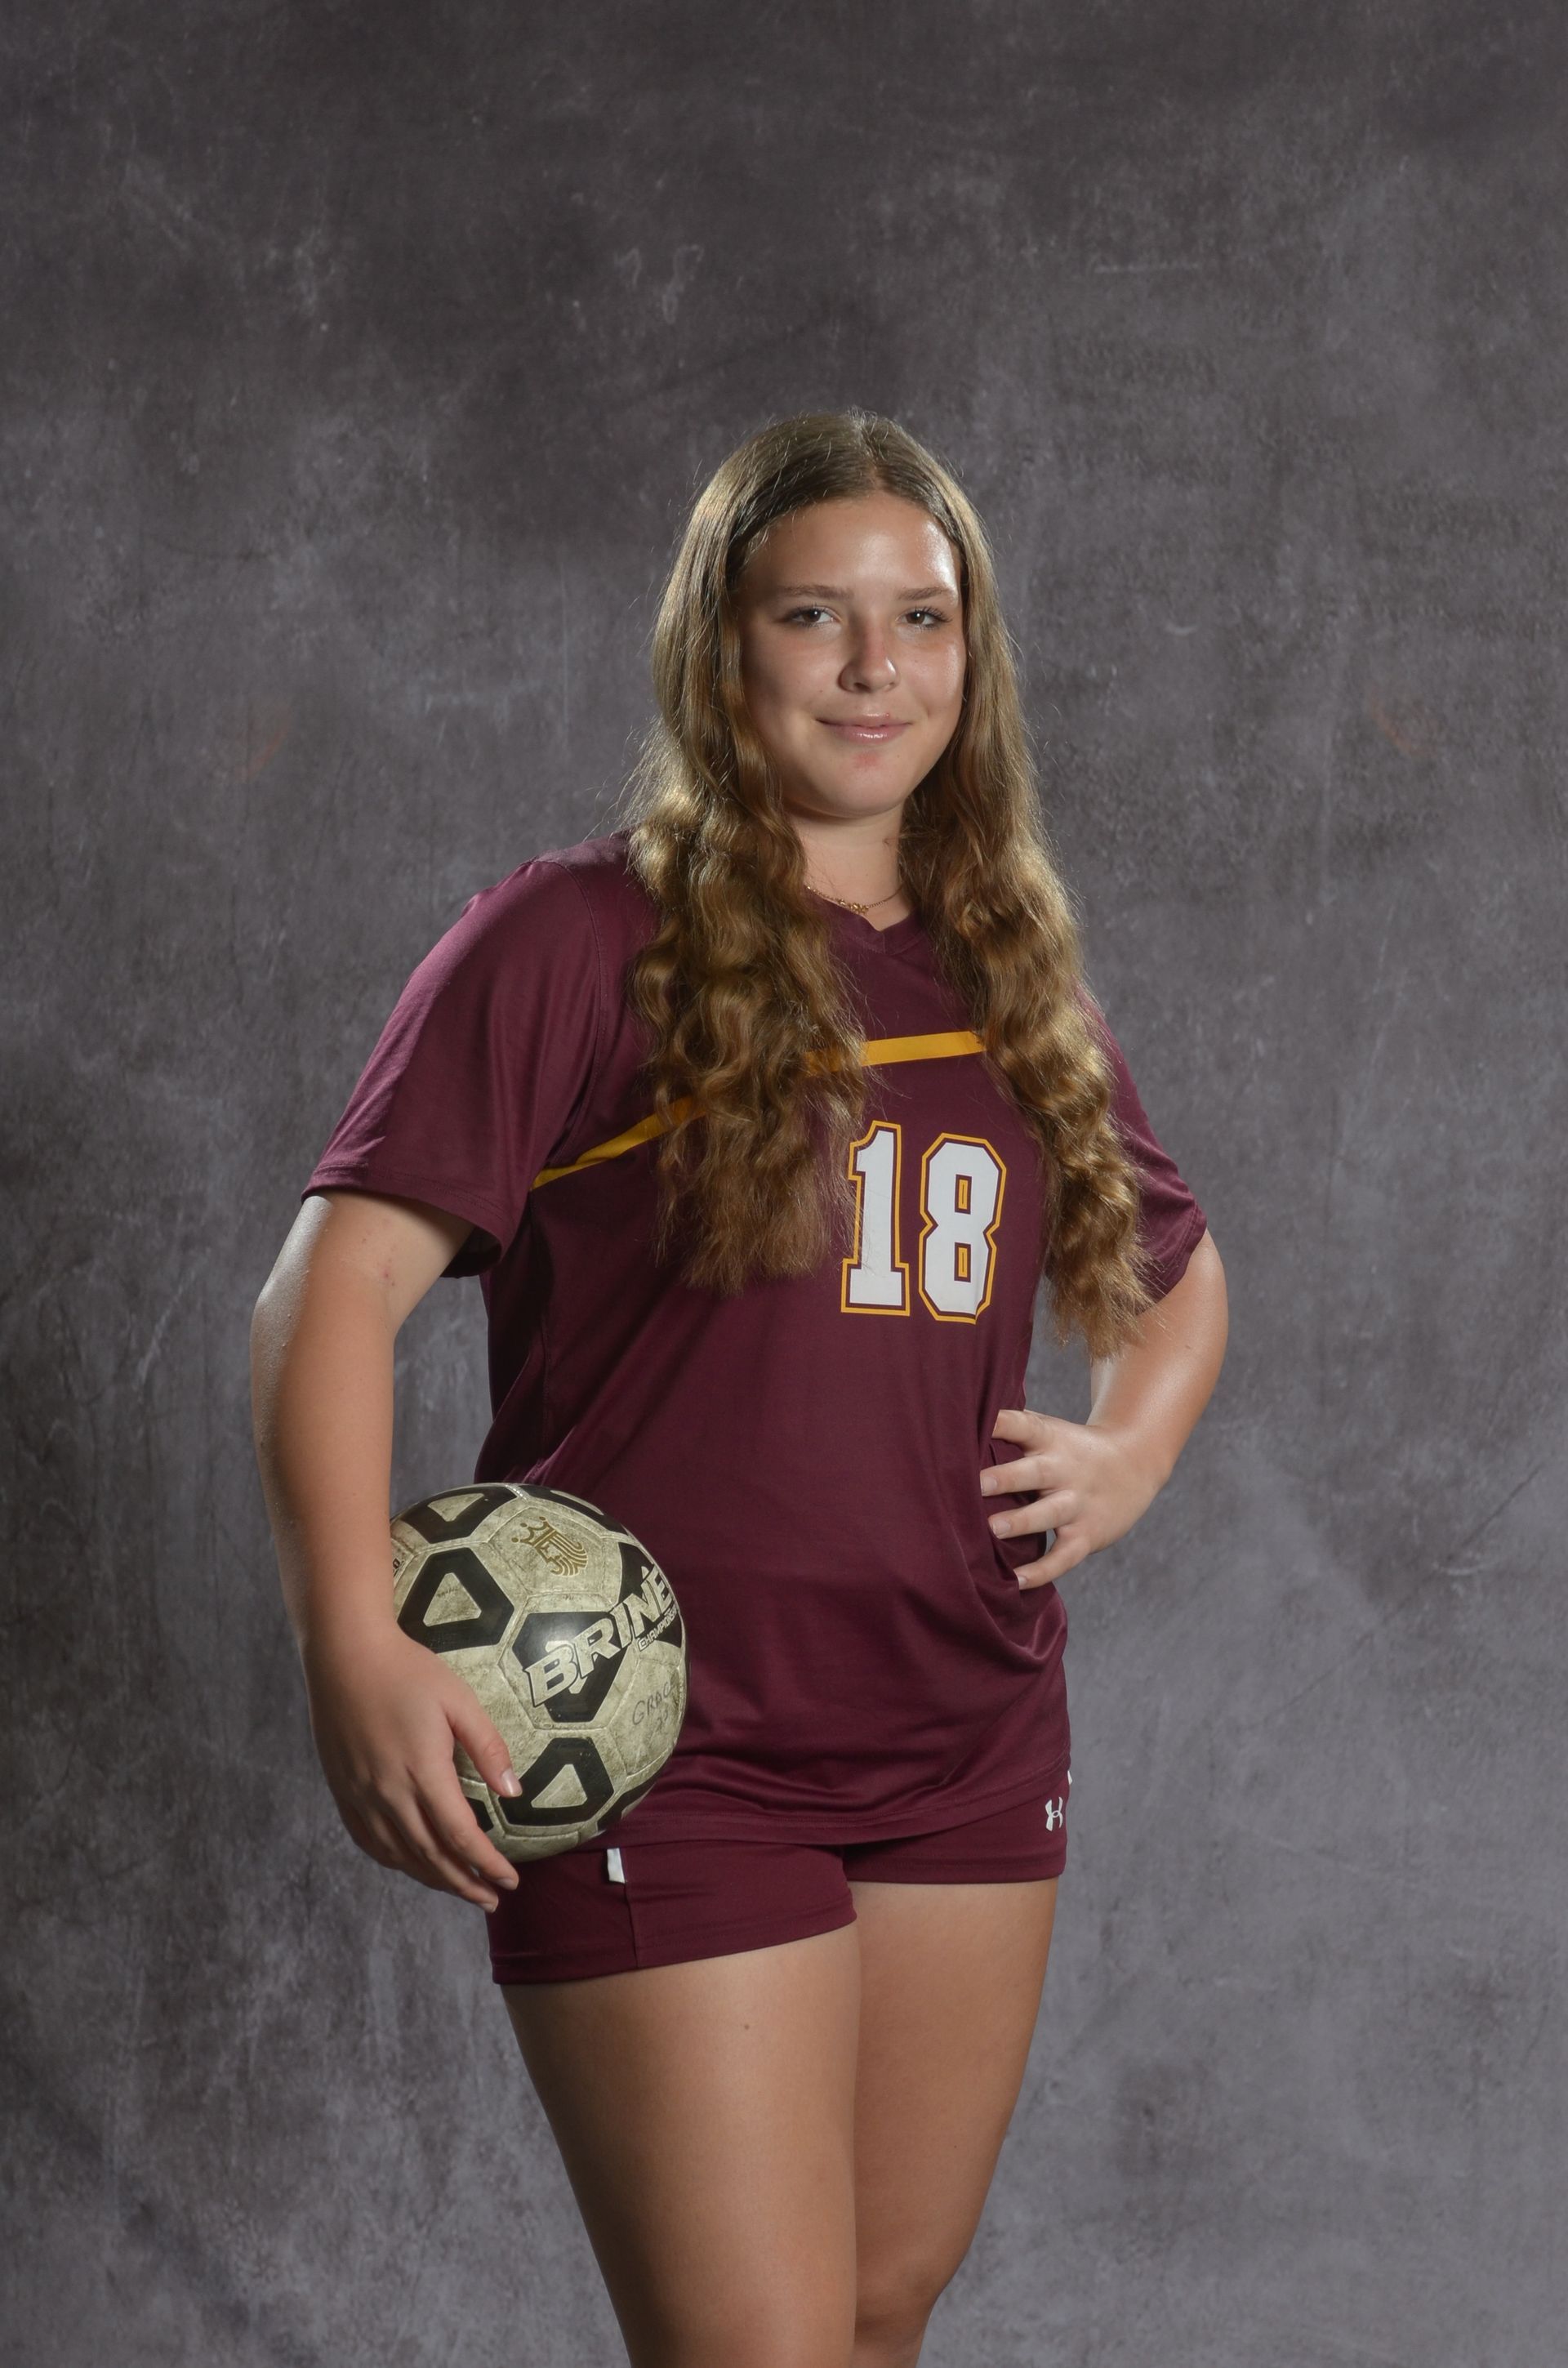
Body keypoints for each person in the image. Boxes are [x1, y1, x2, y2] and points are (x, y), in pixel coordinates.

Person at [250, 408, 1228, 2368]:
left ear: (973, 660)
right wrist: (351, 1634)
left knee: (874, 2313)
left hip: (963, 1734)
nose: (877, 667)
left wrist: (1124, 1452)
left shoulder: (1013, 977)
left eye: (923, 619)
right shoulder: (576, 940)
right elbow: (330, 1295)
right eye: (817, 615)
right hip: (663, 1751)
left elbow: (1178, 1281)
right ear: (725, 650)